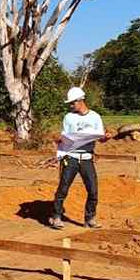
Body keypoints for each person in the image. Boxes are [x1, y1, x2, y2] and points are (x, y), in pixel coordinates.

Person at [49, 86, 112, 230]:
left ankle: (90, 218)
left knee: (93, 190)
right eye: (70, 103)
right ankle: (56, 216)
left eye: (73, 103)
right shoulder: (69, 117)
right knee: (63, 188)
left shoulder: (95, 117)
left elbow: (100, 138)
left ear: (81, 100)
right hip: (70, 157)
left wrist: (106, 138)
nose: (71, 106)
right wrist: (59, 139)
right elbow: (64, 136)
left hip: (87, 158)